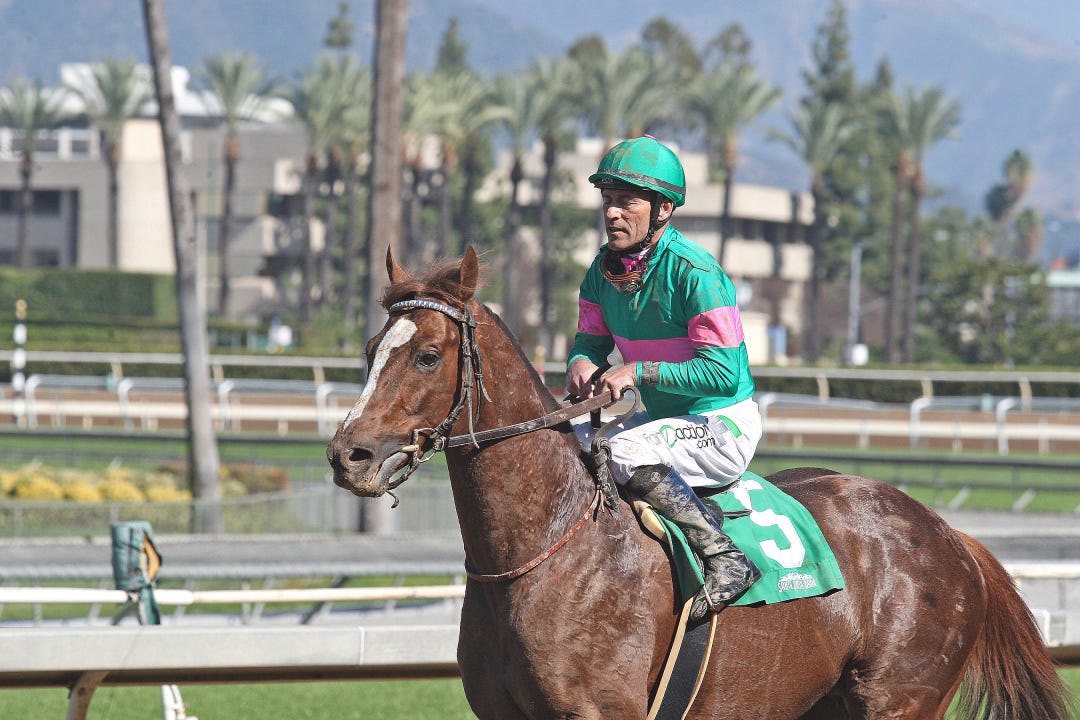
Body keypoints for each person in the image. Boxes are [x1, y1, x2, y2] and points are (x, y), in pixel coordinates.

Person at [566, 136, 763, 622]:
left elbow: (723, 375)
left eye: (627, 202)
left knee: (623, 452)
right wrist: (581, 362)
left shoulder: (697, 273)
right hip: (659, 419)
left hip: (720, 423)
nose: (612, 213)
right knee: (561, 440)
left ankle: (725, 558)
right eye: (608, 200)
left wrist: (638, 370)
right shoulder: (600, 272)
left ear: (663, 210)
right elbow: (589, 342)